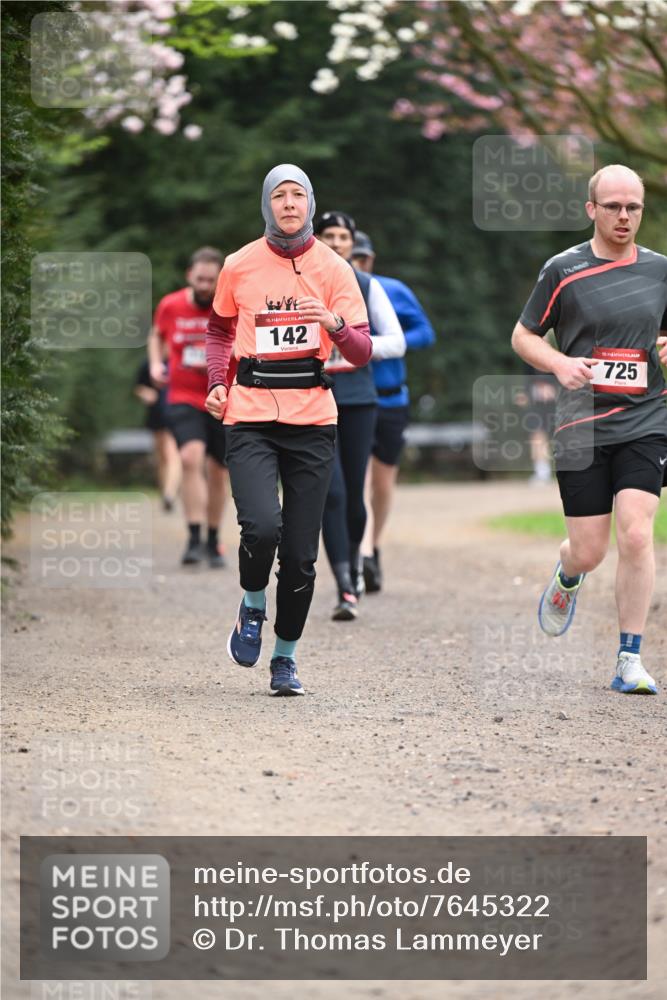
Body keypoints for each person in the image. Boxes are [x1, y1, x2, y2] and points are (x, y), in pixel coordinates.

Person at [205, 165, 371, 696]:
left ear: (311, 204)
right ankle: (252, 603)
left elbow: (362, 351)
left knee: (300, 553)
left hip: (313, 420)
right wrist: (216, 382)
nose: (289, 203)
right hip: (250, 416)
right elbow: (219, 329)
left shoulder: (334, 268)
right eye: (279, 195)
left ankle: (285, 659)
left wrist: (334, 323)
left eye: (298, 194)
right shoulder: (239, 264)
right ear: (267, 205)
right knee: (261, 527)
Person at [511, 164, 667, 695]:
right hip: (581, 425)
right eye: (614, 207)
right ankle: (568, 573)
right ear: (591, 210)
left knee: (637, 532)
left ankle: (629, 658)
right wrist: (557, 363)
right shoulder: (563, 269)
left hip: (647, 420)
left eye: (634, 208)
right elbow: (524, 335)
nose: (624, 217)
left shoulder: (661, 271)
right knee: (590, 549)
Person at [314, 212, 406, 620]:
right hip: (311, 398)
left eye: (343, 237)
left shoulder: (367, 286)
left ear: (353, 245)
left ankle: (353, 564)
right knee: (329, 494)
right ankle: (344, 586)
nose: (336, 243)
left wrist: (355, 345)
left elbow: (397, 342)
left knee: (353, 494)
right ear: (317, 239)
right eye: (329, 236)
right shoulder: (300, 282)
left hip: (357, 399)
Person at [351, 230, 436, 592]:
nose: (357, 264)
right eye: (352, 257)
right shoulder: (330, 292)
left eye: (362, 258)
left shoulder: (392, 290)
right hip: (353, 399)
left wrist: (389, 341)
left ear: (370, 260)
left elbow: (426, 333)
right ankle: (363, 553)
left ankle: (375, 545)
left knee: (383, 484)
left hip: (391, 398)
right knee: (363, 479)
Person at [147, 247, 229, 568]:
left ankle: (212, 537)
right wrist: (156, 364)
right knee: (189, 457)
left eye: (212, 279)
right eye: (200, 279)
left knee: (219, 472)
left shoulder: (230, 306)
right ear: (189, 277)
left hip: (222, 397)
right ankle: (193, 538)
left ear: (220, 279)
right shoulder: (171, 305)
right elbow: (156, 334)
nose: (206, 285)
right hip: (182, 395)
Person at [133, 359, 181, 510]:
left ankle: (170, 493)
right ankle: (165, 492)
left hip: (175, 412)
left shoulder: (179, 361)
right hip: (156, 414)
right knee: (161, 455)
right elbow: (138, 386)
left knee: (171, 453)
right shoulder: (148, 364)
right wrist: (145, 393)